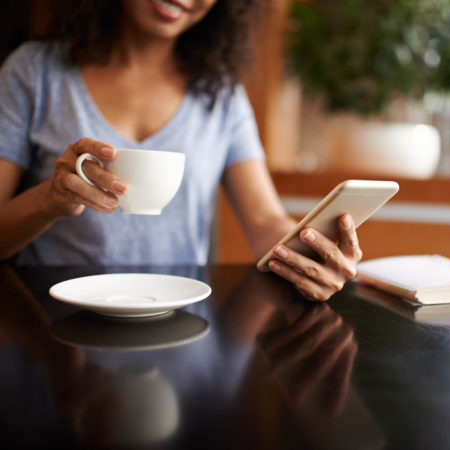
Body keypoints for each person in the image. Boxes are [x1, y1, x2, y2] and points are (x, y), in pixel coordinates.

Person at [0, 0, 363, 301]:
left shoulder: (222, 95)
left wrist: (313, 254)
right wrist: (51, 198)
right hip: (52, 330)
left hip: (179, 324)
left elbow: (265, 222)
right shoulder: (34, 73)